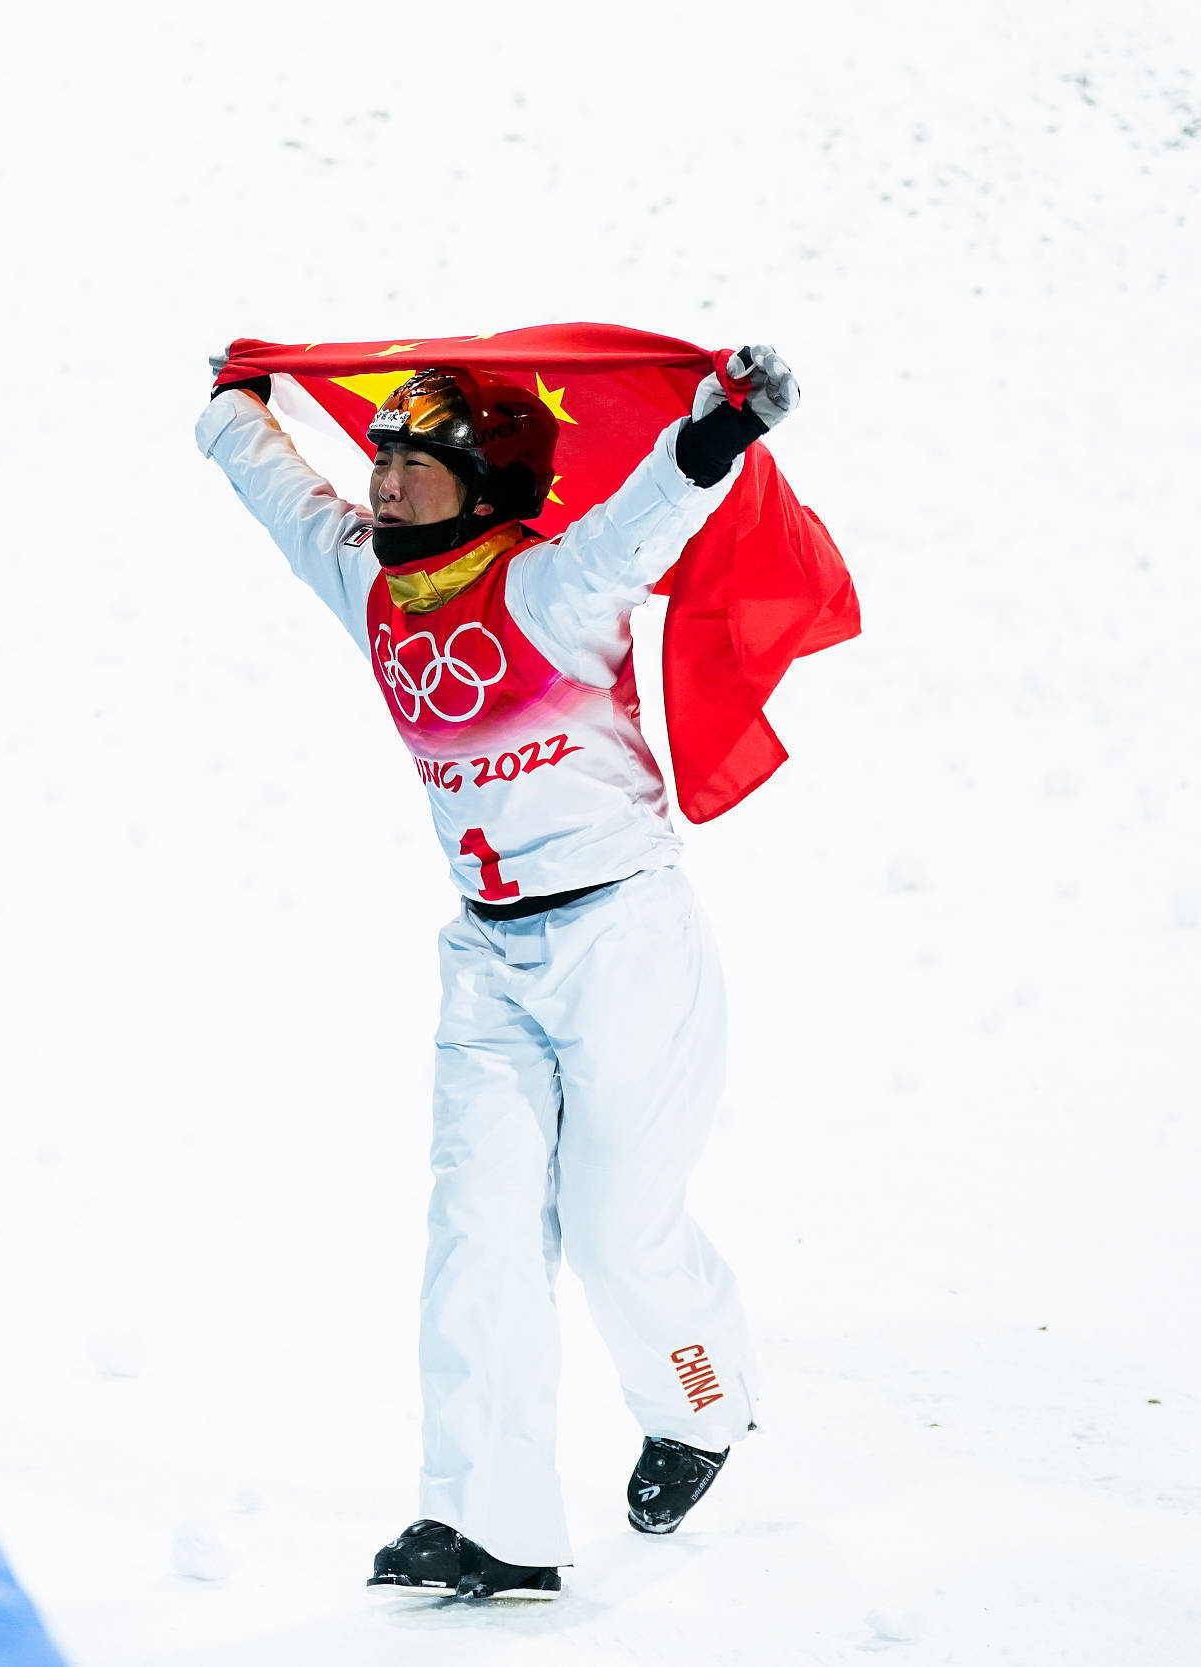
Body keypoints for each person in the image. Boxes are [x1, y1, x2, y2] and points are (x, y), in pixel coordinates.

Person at [196, 345, 801, 1598]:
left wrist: (717, 430)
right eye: (383, 456)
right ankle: (488, 1520)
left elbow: (645, 521)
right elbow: (277, 493)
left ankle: (701, 1398)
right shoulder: (368, 580)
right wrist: (233, 407)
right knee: (473, 1234)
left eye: (419, 462)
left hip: (622, 939)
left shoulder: (550, 586)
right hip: (486, 953)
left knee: (615, 1228)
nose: (385, 481)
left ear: (487, 486)